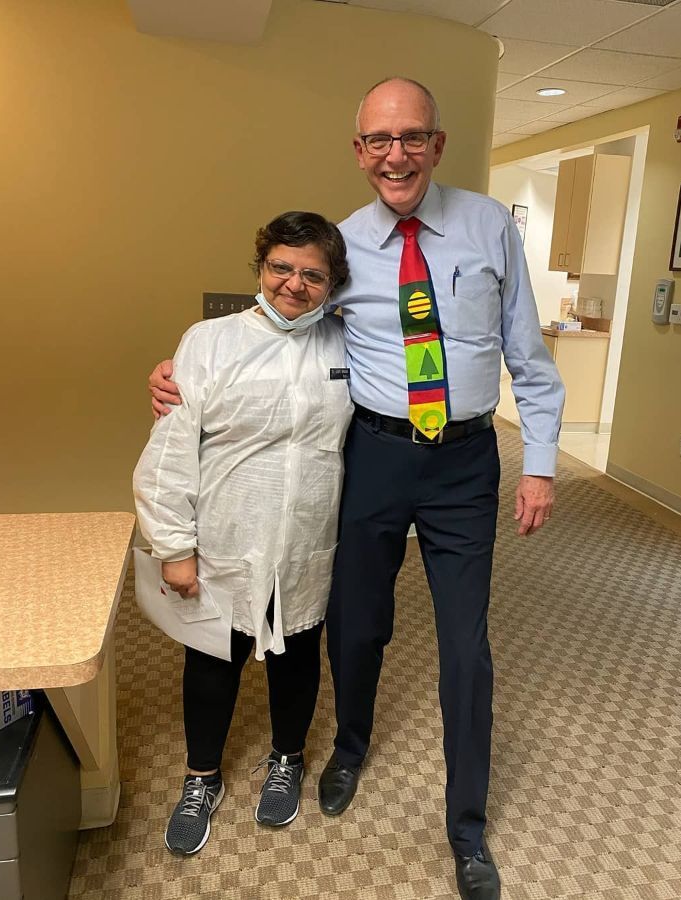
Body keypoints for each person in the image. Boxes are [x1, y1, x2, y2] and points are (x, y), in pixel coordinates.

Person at [148, 78, 564, 899]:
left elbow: (529, 353)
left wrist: (542, 461)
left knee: (464, 651)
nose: (395, 154)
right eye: (379, 140)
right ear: (359, 150)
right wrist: (177, 370)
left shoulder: (488, 227)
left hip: (466, 462)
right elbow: (283, 324)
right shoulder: (340, 245)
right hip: (371, 456)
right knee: (356, 626)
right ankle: (348, 748)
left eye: (411, 137)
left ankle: (468, 828)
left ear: (437, 144)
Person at [134, 211, 353, 857]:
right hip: (225, 530)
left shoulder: (346, 344)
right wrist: (174, 546)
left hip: (307, 534)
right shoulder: (209, 340)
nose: (294, 284)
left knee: (296, 653)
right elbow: (172, 450)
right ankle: (201, 776)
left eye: (313, 274)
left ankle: (287, 758)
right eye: (281, 267)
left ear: (332, 283)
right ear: (260, 268)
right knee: (211, 658)